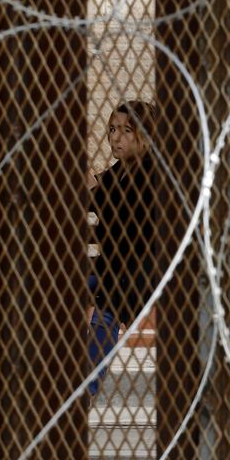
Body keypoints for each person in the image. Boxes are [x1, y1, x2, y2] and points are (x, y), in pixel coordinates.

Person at [86, 100, 162, 396]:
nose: (115, 138)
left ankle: (85, 388)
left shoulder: (153, 173)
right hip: (116, 269)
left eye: (126, 130)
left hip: (144, 273)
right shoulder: (120, 172)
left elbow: (130, 225)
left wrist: (94, 191)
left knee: (106, 302)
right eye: (113, 129)